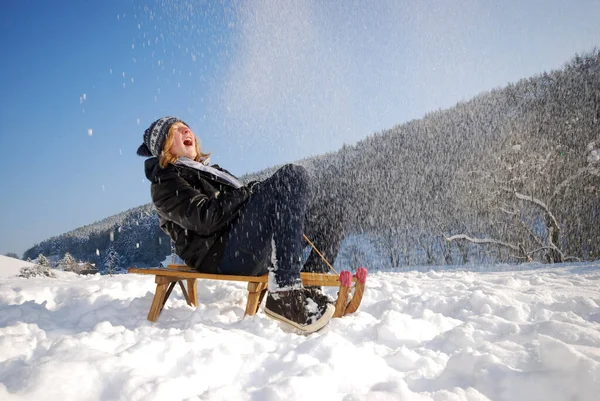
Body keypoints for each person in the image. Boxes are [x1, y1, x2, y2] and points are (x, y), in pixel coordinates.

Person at [137, 116, 336, 333]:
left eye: (186, 127)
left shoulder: (212, 171)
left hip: (243, 241)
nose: (186, 130)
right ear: (164, 146)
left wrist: (256, 193)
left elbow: (241, 203)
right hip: (221, 253)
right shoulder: (165, 182)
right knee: (292, 175)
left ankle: (310, 287)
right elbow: (205, 219)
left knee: (332, 212)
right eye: (176, 130)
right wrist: (251, 191)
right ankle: (284, 292)